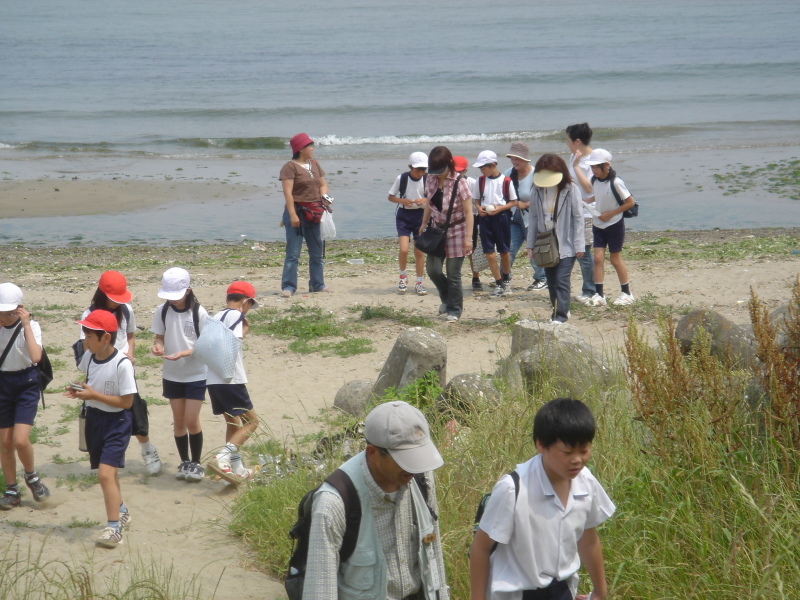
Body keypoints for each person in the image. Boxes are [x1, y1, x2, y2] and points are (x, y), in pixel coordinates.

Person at [469, 398, 615, 600]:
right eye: (567, 452)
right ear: (540, 444)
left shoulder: (586, 482)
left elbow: (588, 540)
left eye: (584, 450)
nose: (577, 460)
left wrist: (599, 592)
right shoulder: (513, 489)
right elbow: (481, 548)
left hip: (562, 590)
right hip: (519, 594)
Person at [303, 400, 449, 600]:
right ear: (372, 453)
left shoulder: (421, 478)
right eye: (405, 460)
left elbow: (434, 554)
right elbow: (320, 590)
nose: (414, 468)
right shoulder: (333, 503)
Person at [79, 270, 161, 476]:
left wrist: (129, 355)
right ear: (102, 294)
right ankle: (104, 459)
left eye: (119, 299)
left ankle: (148, 450)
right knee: (102, 409)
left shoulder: (126, 310)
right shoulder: (89, 316)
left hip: (122, 367)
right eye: (112, 299)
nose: (116, 303)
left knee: (134, 410)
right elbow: (86, 346)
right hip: (101, 367)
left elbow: (130, 336)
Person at [67, 310, 136, 548]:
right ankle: (122, 510)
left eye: (88, 335)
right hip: (94, 420)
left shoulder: (123, 364)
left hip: (117, 423)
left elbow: (127, 403)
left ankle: (114, 528)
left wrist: (94, 394)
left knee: (105, 474)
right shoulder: (89, 356)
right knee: (109, 475)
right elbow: (90, 383)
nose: (84, 340)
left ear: (105, 338)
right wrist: (79, 389)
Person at [151, 267, 209, 482]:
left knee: (192, 420)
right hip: (172, 374)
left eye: (175, 297)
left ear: (188, 291)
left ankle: (196, 462)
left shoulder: (199, 313)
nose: (172, 301)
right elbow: (159, 337)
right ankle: (184, 461)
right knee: (178, 422)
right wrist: (158, 346)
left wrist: (184, 352)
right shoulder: (162, 311)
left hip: (196, 374)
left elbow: (205, 346)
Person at [204, 281, 260, 485]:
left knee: (232, 422)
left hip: (212, 378)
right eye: (250, 306)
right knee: (252, 422)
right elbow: (232, 345)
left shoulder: (215, 317)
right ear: (245, 301)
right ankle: (222, 457)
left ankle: (236, 469)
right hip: (230, 378)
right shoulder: (237, 316)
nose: (248, 310)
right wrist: (244, 331)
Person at [0, 283, 50, 510]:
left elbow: (36, 356)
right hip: (3, 384)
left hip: (27, 384)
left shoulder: (31, 326)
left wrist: (26, 325)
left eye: (9, 312)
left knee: (20, 439)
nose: (5, 317)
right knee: (5, 442)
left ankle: (31, 476)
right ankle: (11, 489)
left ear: (20, 308)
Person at [526, 154, 585, 324]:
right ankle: (560, 309)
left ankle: (560, 316)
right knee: (551, 281)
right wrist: (530, 245)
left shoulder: (571, 189)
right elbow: (533, 218)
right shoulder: (536, 189)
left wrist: (579, 244)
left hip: (566, 242)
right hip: (545, 242)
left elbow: (578, 217)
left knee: (561, 279)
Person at [419, 146, 474, 322]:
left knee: (453, 273)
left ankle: (455, 309)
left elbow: (468, 212)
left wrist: (468, 238)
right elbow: (429, 203)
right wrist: (424, 223)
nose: (438, 174)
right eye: (434, 170)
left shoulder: (460, 182)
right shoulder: (430, 179)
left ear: (449, 164)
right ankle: (446, 298)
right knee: (433, 270)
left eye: (440, 170)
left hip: (458, 230)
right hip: (436, 229)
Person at [280, 132, 333, 297]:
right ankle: (289, 287)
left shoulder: (315, 164)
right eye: (309, 146)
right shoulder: (289, 167)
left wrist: (324, 197)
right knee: (293, 253)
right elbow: (288, 194)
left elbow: (323, 185)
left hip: (315, 211)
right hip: (297, 211)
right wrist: (292, 215)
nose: (312, 148)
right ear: (301, 149)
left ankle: (317, 284)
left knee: (316, 251)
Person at [584, 149, 636, 306]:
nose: (593, 171)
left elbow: (630, 202)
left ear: (606, 165)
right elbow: (599, 195)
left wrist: (610, 213)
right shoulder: (595, 180)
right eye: (591, 167)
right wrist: (589, 200)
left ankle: (627, 293)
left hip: (614, 224)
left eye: (596, 167)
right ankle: (599, 295)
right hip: (598, 224)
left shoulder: (616, 182)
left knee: (615, 259)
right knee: (598, 259)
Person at [471, 150, 518, 298]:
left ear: (492, 165)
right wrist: (479, 209)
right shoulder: (480, 181)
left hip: (502, 217)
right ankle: (499, 283)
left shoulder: (506, 181)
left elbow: (513, 202)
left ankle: (506, 278)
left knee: (504, 251)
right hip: (485, 218)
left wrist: (500, 208)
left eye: (483, 167)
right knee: (489, 252)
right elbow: (476, 199)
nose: (481, 171)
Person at [503, 142, 548, 292]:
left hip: (531, 220)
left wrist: (526, 204)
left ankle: (542, 279)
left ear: (526, 160)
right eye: (513, 158)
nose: (515, 162)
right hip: (513, 219)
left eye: (518, 159)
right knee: (509, 248)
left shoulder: (536, 175)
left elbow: (545, 199)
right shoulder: (508, 173)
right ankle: (504, 277)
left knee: (533, 250)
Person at [388, 152, 429, 295]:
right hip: (404, 216)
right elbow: (391, 197)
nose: (421, 172)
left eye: (423, 169)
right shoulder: (402, 178)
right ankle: (403, 276)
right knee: (404, 249)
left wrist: (424, 201)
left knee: (419, 251)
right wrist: (403, 201)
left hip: (421, 216)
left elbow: (434, 199)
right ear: (410, 167)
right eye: (418, 169)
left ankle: (419, 282)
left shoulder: (428, 179)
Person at [565, 124, 598, 305]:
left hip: (588, 212)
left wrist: (576, 167)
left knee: (584, 251)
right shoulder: (573, 157)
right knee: (574, 250)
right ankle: (588, 289)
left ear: (577, 141)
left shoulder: (593, 159)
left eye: (568, 141)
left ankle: (590, 290)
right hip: (573, 210)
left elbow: (589, 188)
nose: (567, 144)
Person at [454, 155, 484, 293]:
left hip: (471, 217)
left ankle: (475, 277)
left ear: (465, 170)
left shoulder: (472, 182)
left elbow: (477, 200)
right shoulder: (447, 183)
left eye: (460, 171)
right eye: (454, 171)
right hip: (454, 220)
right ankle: (454, 277)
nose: (457, 174)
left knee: (471, 249)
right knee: (453, 250)